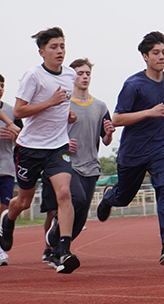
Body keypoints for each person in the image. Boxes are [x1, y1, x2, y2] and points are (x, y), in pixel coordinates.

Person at [96, 31, 164, 265]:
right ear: (145, 56)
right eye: (156, 53)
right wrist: (149, 112)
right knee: (124, 197)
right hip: (133, 151)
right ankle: (110, 197)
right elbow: (117, 119)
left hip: (161, 148)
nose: (161, 57)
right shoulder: (133, 85)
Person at [0, 27, 75, 272]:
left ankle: (64, 248)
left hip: (58, 146)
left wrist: (68, 115)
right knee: (24, 201)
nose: (59, 51)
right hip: (30, 148)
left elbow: (63, 108)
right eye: (54, 47)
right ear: (42, 52)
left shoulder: (70, 74)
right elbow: (19, 111)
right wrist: (50, 102)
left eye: (62, 46)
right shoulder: (33, 76)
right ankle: (8, 221)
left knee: (64, 193)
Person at [42, 58, 115, 264]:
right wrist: (65, 143)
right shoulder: (63, 104)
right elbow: (50, 133)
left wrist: (109, 134)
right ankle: (58, 235)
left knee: (81, 217)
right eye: (80, 74)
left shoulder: (100, 106)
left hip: (91, 165)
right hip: (67, 164)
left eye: (87, 74)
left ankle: (59, 250)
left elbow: (106, 140)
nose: (84, 77)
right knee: (77, 199)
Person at [0, 74, 21, 266]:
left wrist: (15, 135)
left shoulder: (12, 112)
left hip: (7, 166)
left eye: (2, 85)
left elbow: (24, 138)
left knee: (2, 210)